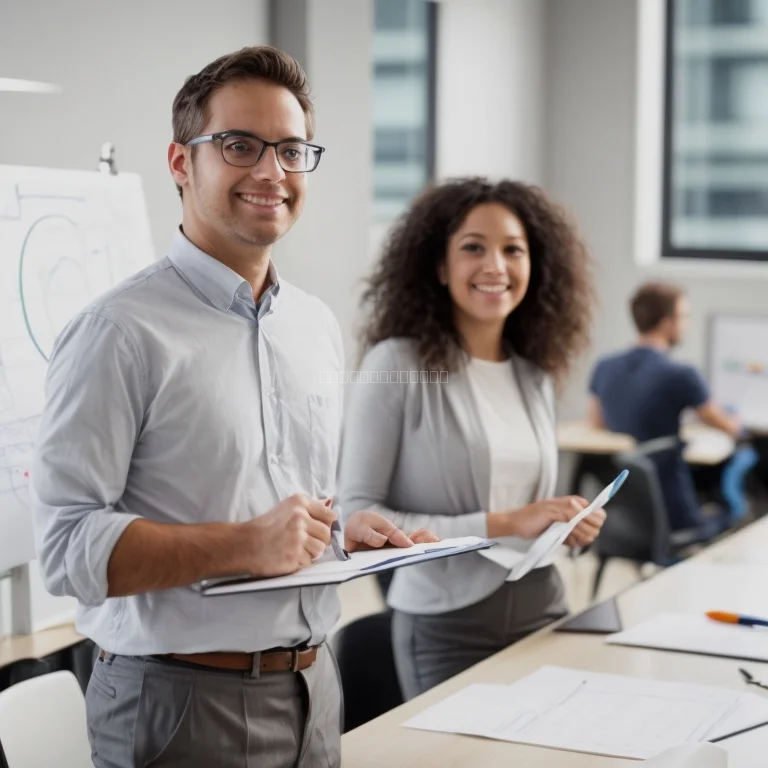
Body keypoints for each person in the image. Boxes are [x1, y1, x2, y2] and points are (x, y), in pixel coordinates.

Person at [31, 46, 433, 768]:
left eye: (291, 149)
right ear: (182, 163)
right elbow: (65, 549)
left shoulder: (312, 325)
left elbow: (286, 510)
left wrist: (343, 532)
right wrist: (245, 545)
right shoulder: (118, 332)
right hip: (181, 701)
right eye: (239, 145)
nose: (271, 171)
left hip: (315, 688)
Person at [338, 177, 606, 700]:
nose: (495, 266)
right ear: (439, 266)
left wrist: (562, 524)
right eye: (473, 248)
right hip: (446, 626)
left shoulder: (534, 376)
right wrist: (506, 523)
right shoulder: (396, 365)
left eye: (513, 250)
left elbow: (530, 510)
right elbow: (359, 517)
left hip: (543, 608)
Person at [589, 281, 743, 533]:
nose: (686, 324)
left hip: (624, 512)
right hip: (674, 511)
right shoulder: (681, 374)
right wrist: (735, 419)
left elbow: (597, 421)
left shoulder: (604, 367)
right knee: (742, 478)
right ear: (666, 322)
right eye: (683, 316)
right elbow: (726, 426)